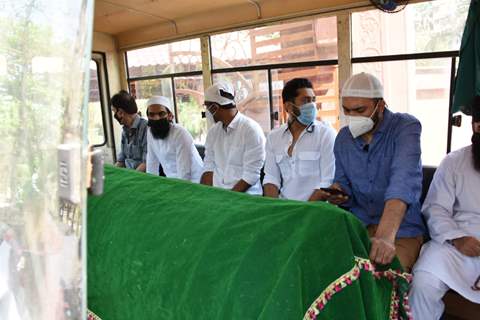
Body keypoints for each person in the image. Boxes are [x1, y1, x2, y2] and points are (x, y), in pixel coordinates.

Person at [327, 72, 425, 271]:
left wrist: (385, 237)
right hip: (359, 228)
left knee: (387, 280)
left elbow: (403, 182)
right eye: (347, 110)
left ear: (380, 106)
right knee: (331, 272)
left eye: (360, 110)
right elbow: (344, 184)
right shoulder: (343, 139)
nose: (352, 117)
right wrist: (339, 193)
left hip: (401, 232)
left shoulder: (405, 128)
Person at [409, 98, 480, 319]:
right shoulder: (454, 162)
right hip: (459, 244)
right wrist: (458, 238)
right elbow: (436, 208)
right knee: (424, 279)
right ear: (476, 127)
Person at [263, 78, 336, 201]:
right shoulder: (273, 137)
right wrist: (274, 209)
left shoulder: (326, 135)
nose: (312, 105)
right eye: (306, 101)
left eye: (313, 100)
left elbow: (327, 182)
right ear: (289, 106)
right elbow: (271, 178)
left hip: (314, 210)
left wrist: (302, 212)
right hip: (284, 208)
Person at [200, 81, 265, 195]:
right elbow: (208, 166)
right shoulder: (213, 132)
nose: (207, 112)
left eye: (207, 106)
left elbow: (250, 176)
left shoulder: (251, 130)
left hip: (244, 198)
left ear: (215, 107)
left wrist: (228, 199)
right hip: (217, 195)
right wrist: (205, 195)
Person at [145, 96, 203, 182]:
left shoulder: (180, 134)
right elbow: (151, 163)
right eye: (152, 115)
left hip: (195, 181)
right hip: (172, 181)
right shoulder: (150, 132)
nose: (156, 118)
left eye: (161, 114)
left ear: (170, 116)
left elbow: (185, 172)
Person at [110, 90, 148, 171]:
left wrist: (131, 179)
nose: (114, 115)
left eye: (114, 111)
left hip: (140, 177)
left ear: (120, 112)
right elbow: (121, 160)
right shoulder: (125, 130)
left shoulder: (146, 129)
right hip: (129, 175)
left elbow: (146, 163)